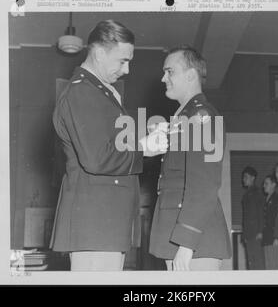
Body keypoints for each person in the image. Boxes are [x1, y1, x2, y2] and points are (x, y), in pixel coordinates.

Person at [50, 20, 167, 271]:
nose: (127, 70)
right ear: (100, 53)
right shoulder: (82, 93)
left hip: (104, 223)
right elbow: (96, 158)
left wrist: (144, 139)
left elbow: (107, 145)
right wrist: (142, 148)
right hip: (95, 224)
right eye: (123, 60)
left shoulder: (99, 91)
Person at [149, 46, 232, 271]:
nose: (163, 78)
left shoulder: (201, 116)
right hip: (178, 234)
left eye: (169, 72)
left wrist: (186, 243)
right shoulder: (184, 118)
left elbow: (204, 183)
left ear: (190, 75)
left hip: (195, 240)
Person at [241, 166, 265, 270]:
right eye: (243, 177)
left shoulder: (257, 193)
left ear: (253, 178)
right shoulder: (246, 195)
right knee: (251, 262)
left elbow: (261, 213)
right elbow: (245, 217)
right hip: (249, 233)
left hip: (256, 233)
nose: (243, 179)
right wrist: (245, 235)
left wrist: (260, 231)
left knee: (258, 262)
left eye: (246, 177)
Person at [261, 175, 278, 270]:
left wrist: (277, 237)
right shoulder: (267, 199)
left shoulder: (276, 199)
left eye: (266, 183)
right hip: (267, 236)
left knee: (274, 265)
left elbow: (277, 219)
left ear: (274, 184)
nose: (264, 186)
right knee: (268, 265)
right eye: (264, 183)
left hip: (273, 236)